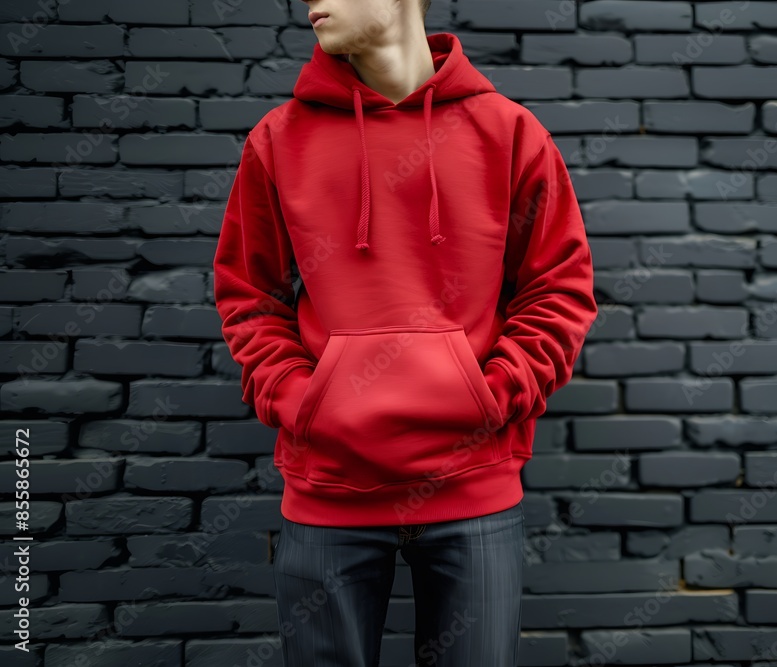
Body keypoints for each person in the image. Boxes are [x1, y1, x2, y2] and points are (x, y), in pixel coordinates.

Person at [212, 0, 598, 664]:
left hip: (473, 487)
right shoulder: (278, 140)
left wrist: (494, 395)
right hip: (329, 491)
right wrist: (302, 403)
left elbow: (558, 289)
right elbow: (249, 296)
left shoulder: (509, 133)